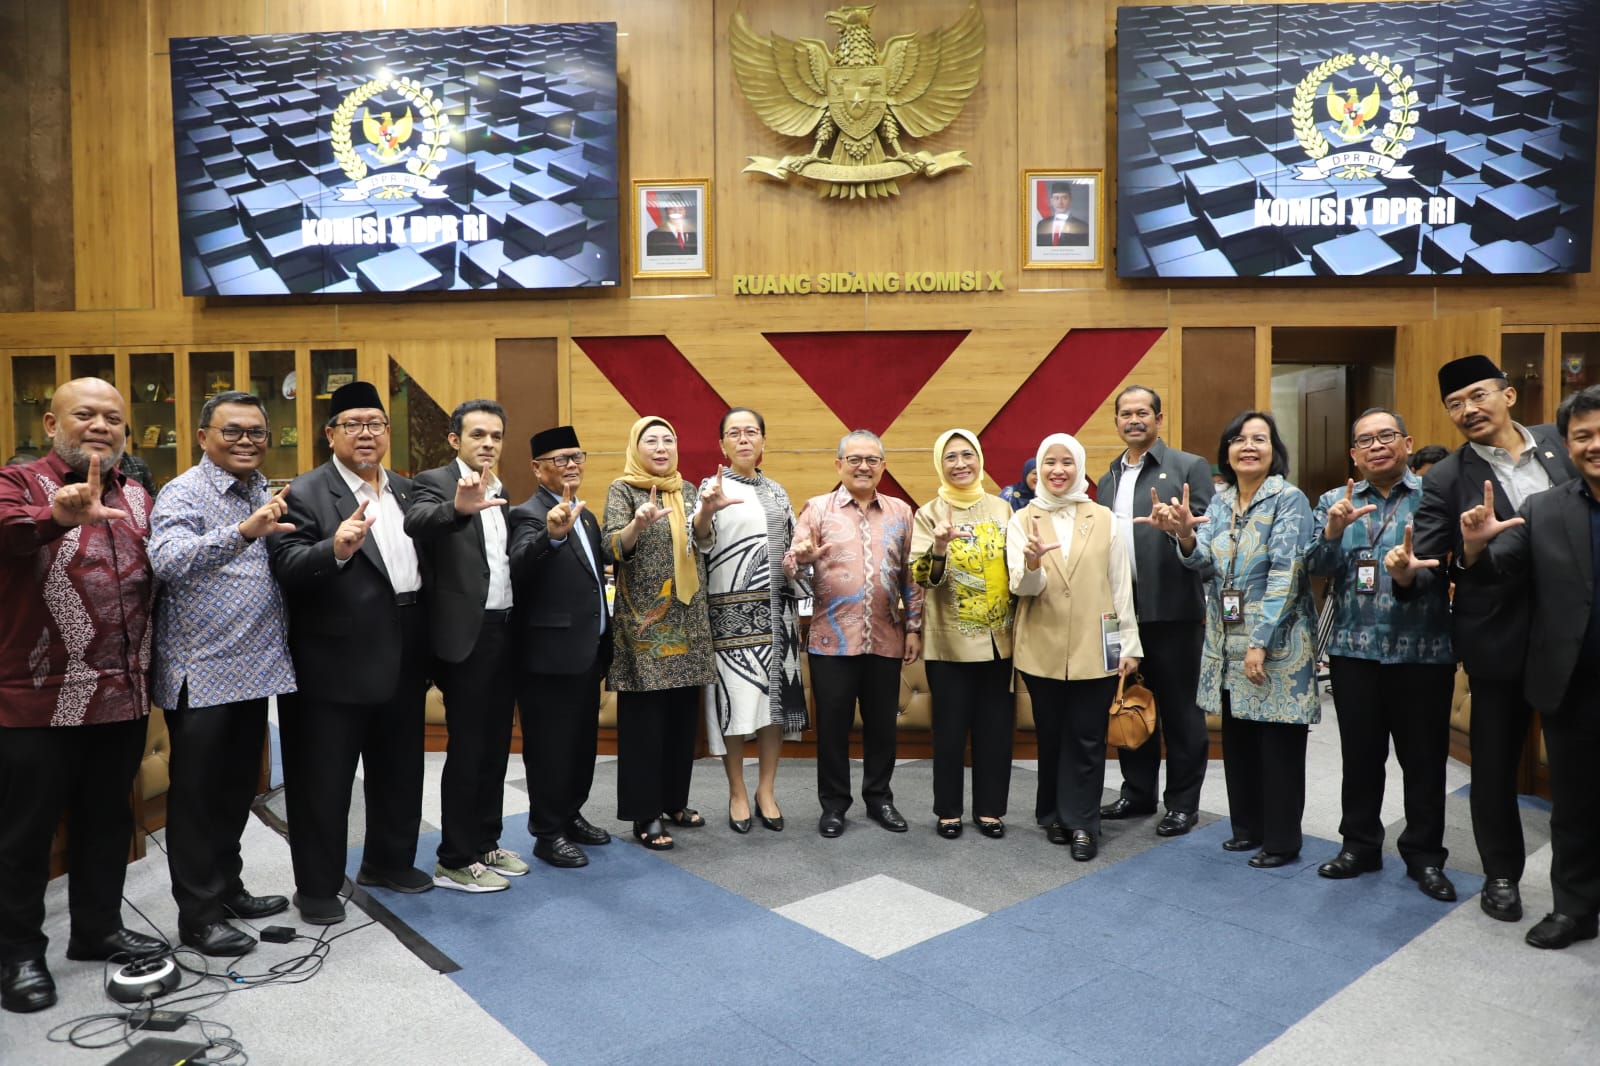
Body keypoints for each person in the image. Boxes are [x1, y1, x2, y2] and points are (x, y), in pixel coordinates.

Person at [0, 378, 163, 1015]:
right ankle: (17, 952)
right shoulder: (16, 485)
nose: (101, 425)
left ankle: (95, 929)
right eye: (86, 414)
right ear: (49, 422)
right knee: (25, 834)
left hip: (121, 695)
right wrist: (57, 517)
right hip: (37, 699)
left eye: (114, 418)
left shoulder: (139, 496)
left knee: (106, 821)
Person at [1407, 354, 1576, 923]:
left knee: (1579, 767)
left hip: (1574, 634)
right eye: (1455, 404)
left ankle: (1579, 890)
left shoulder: (1562, 443)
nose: (1467, 409)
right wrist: (1437, 561)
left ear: (1508, 395)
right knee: (1495, 767)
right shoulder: (1446, 477)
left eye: (1477, 395)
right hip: (1495, 637)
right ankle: (1501, 875)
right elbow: (1431, 562)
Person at [270, 381, 431, 925]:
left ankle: (388, 861)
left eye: (376, 424)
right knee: (324, 780)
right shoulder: (304, 493)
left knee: (401, 768)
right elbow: (286, 566)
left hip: (405, 650)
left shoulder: (408, 492)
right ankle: (316, 886)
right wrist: (333, 550)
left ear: (388, 432)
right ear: (330, 433)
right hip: (333, 663)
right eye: (353, 424)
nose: (366, 433)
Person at [148, 390, 296, 958]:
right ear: (204, 436)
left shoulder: (262, 487)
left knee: (239, 791)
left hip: (255, 668)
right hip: (202, 673)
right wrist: (241, 532)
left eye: (256, 432)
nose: (246, 441)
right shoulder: (184, 491)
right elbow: (167, 559)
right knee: (197, 798)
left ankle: (229, 888)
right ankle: (199, 915)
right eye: (232, 431)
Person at [1455, 384, 1600, 949]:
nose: (1593, 445)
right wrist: (1474, 547)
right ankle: (1574, 908)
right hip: (1573, 684)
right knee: (1575, 805)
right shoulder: (1546, 508)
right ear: (1565, 445)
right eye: (1582, 435)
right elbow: (1495, 570)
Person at [1150, 410, 1318, 868]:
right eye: (1239, 439)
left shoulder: (1289, 499)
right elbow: (1204, 563)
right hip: (1226, 640)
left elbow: (1287, 574)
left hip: (1277, 643)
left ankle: (1282, 840)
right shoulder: (1221, 502)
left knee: (1278, 744)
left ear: (1273, 449)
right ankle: (1248, 829)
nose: (1248, 446)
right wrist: (1184, 536)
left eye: (1259, 439)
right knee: (1240, 738)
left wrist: (1261, 641)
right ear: (1226, 450)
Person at [1306, 408, 1456, 902]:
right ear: (1353, 453)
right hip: (1356, 653)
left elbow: (1451, 569)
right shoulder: (1335, 499)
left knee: (1425, 761)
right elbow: (1316, 568)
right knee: (1362, 758)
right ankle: (1360, 846)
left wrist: (1414, 574)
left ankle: (1425, 857)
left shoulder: (1435, 498)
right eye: (1365, 441)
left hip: (1423, 651)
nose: (1376, 446)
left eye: (1386, 436)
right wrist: (1331, 531)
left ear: (1407, 443)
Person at [404, 399, 530, 892]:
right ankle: (454, 857)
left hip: (504, 630)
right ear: (455, 439)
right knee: (468, 747)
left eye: (496, 436)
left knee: (497, 746)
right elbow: (420, 521)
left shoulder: (499, 486)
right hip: (465, 637)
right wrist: (456, 509)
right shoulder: (435, 483)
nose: (489, 445)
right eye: (478, 435)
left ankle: (485, 841)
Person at [1009, 433, 1141, 861]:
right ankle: (1051, 813)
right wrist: (1031, 563)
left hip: (1096, 643)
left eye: (1067, 462)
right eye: (1050, 462)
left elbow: (1120, 586)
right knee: (1050, 736)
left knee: (1087, 737)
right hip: (1041, 644)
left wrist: (1130, 645)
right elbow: (1023, 587)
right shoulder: (1022, 520)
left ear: (1080, 467)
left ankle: (1083, 823)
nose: (1058, 471)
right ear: (1038, 469)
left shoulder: (1103, 517)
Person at [786, 430, 923, 838]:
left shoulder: (901, 512)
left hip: (886, 637)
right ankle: (834, 805)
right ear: (839, 464)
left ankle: (880, 798)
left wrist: (914, 627)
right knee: (832, 728)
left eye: (872, 459)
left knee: (883, 726)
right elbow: (791, 566)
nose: (863, 466)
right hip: (831, 640)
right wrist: (801, 561)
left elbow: (910, 577)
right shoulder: (817, 509)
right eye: (855, 459)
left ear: (883, 465)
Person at [1096, 385, 1214, 838]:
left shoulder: (1187, 467)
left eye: (1142, 412)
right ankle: (1137, 791)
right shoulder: (1107, 478)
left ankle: (1182, 804)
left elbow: (1206, 540)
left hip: (1174, 613)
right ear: (1117, 422)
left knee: (1182, 714)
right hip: (1120, 616)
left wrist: (1178, 530)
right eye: (1125, 414)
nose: (1134, 420)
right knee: (1129, 702)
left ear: (1159, 419)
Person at [602, 416, 715, 850]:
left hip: (688, 619)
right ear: (636, 446)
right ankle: (643, 814)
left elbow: (704, 542)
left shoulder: (688, 491)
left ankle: (673, 801)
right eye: (651, 440)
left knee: (681, 720)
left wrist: (705, 511)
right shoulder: (622, 489)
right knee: (644, 724)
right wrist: (638, 524)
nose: (662, 447)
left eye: (669, 438)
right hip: (644, 625)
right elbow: (611, 546)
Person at [695, 408, 806, 833]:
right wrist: (706, 512)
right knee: (736, 707)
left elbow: (793, 547)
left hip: (778, 616)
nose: (743, 440)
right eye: (734, 433)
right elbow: (700, 541)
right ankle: (737, 791)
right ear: (721, 444)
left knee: (772, 712)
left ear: (763, 442)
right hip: (731, 617)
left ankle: (767, 790)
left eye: (752, 432)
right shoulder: (711, 488)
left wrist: (800, 561)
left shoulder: (778, 491)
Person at [508, 426, 614, 865]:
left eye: (577, 456)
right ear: (537, 468)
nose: (572, 465)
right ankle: (547, 832)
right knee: (549, 746)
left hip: (588, 650)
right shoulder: (527, 514)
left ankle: (571, 814)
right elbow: (518, 566)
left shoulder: (585, 514)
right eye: (560, 459)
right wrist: (551, 537)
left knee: (580, 742)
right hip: (548, 655)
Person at [912, 430, 1015, 839]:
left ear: (980, 458)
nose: (960, 464)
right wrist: (938, 547)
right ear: (940, 463)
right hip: (949, 644)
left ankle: (990, 810)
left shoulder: (1004, 509)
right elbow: (923, 580)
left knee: (995, 730)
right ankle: (948, 810)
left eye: (967, 455)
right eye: (950, 457)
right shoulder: (928, 513)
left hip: (1000, 642)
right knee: (950, 732)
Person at [1034, 181, 1088, 247]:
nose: (1060, 202)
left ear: (1070, 200)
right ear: (1051, 201)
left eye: (1064, 198)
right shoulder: (1041, 225)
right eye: (1056, 198)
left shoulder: (1082, 227)